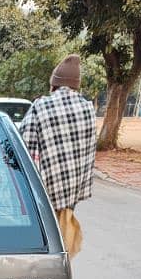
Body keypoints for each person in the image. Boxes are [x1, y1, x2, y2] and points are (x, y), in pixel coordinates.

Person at [20, 54, 96, 259]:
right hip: (71, 195)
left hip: (44, 196)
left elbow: (26, 150)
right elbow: (88, 153)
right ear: (76, 86)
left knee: (42, 251)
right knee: (62, 250)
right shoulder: (88, 109)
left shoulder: (41, 107)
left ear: (54, 84)